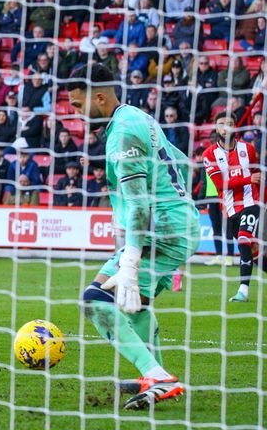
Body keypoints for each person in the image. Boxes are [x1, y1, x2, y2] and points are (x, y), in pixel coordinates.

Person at [68, 64, 199, 409]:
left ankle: (155, 374)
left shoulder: (122, 134)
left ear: (99, 97)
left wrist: (129, 260)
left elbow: (139, 203)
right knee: (131, 300)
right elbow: (184, 162)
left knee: (94, 298)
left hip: (163, 231)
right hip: (174, 224)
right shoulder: (137, 117)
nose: (77, 114)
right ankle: (152, 376)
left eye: (78, 106)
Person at [202, 112, 262, 303]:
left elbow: (258, 177)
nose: (226, 127)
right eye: (222, 123)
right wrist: (247, 178)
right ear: (216, 127)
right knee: (253, 251)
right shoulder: (209, 154)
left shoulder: (249, 149)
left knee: (244, 240)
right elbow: (220, 185)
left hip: (251, 202)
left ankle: (243, 291)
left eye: (230, 123)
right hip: (230, 208)